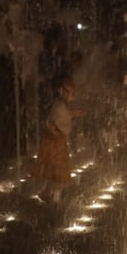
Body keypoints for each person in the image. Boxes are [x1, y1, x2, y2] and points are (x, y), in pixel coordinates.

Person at [32, 73, 81, 203]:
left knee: (55, 174)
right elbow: (51, 122)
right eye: (70, 92)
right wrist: (55, 133)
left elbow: (60, 118)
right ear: (62, 91)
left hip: (56, 143)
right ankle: (54, 201)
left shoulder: (60, 104)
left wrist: (73, 114)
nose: (72, 95)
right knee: (57, 173)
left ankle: (49, 196)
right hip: (53, 144)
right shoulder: (58, 105)